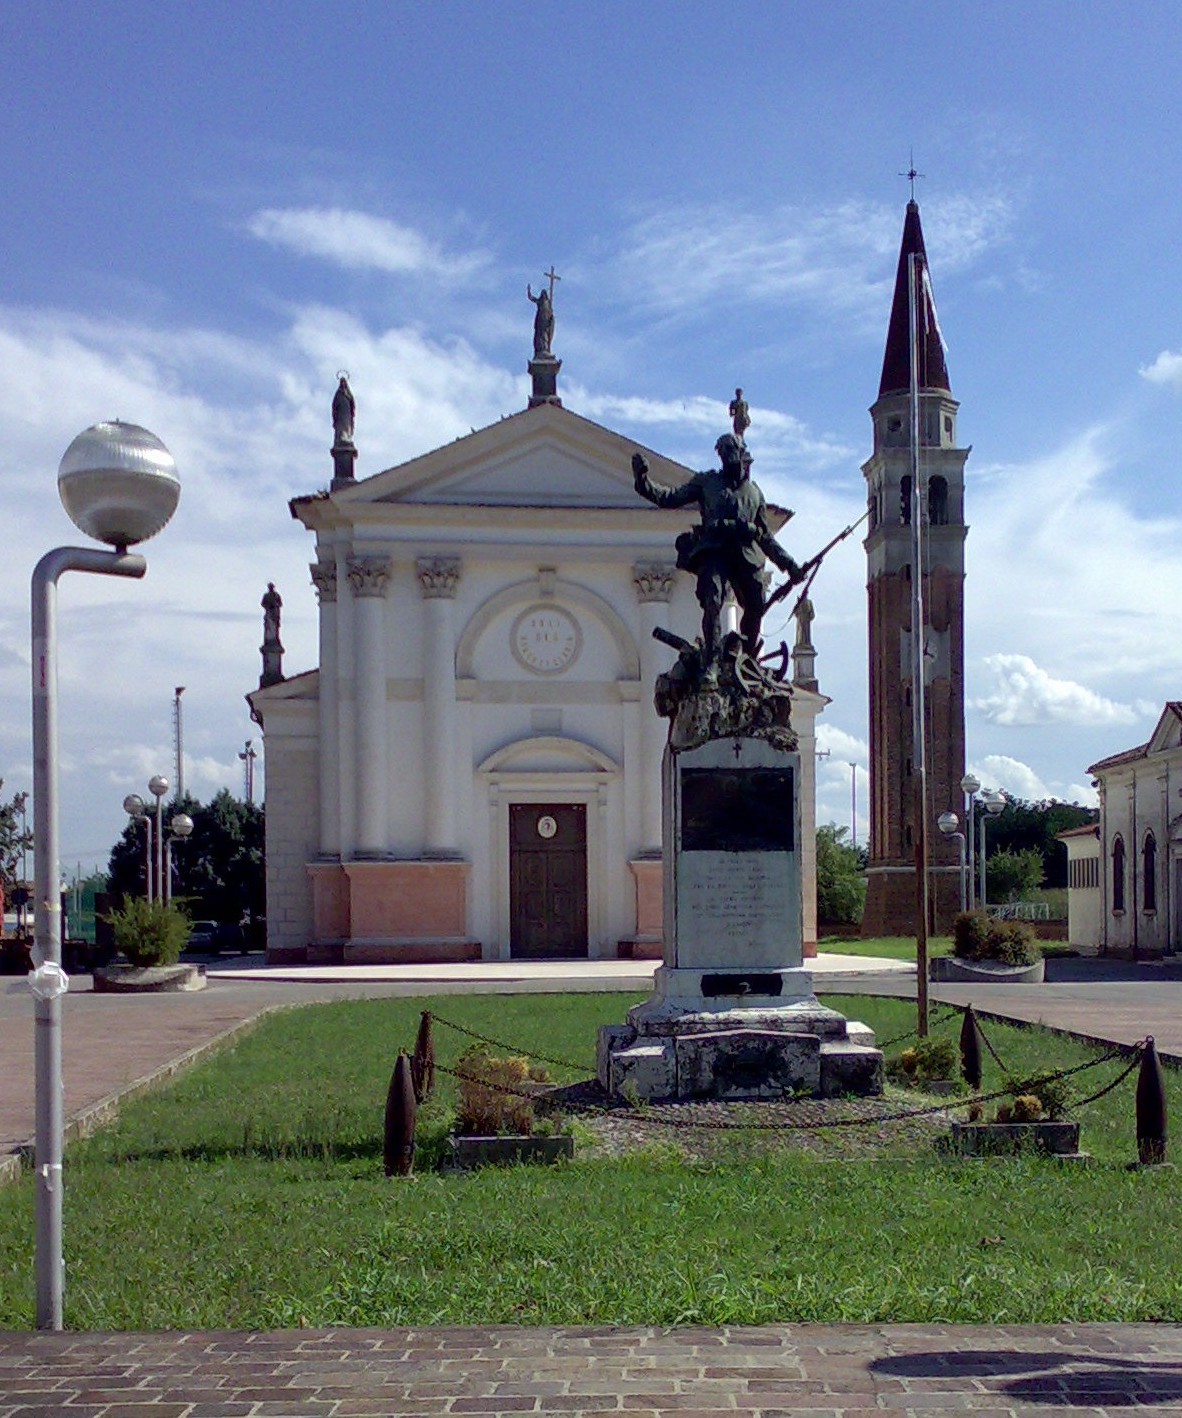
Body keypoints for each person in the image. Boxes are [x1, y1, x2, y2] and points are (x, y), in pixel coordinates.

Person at [632, 433, 804, 657]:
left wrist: (790, 565)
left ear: (741, 454)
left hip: (745, 556)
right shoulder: (707, 482)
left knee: (756, 606)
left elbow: (765, 538)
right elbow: (670, 498)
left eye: (730, 452)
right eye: (722, 453)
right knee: (712, 599)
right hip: (715, 552)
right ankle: (712, 658)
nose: (726, 458)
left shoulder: (754, 494)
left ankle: (747, 658)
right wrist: (643, 481)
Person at [527, 284, 554, 355]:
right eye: (542, 294)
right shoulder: (540, 302)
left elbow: (551, 313)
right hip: (540, 320)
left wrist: (551, 318)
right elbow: (531, 298)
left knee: (545, 333)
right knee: (540, 334)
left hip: (546, 321)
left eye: (544, 294)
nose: (543, 296)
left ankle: (545, 348)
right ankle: (541, 348)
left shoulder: (548, 303)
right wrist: (529, 291)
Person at [332, 376, 356, 445]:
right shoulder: (338, 393)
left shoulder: (349, 393)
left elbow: (352, 403)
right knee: (341, 425)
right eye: (341, 382)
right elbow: (334, 404)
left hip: (347, 413)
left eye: (344, 382)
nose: (342, 383)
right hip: (340, 414)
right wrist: (335, 412)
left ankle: (347, 437)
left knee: (347, 425)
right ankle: (341, 437)